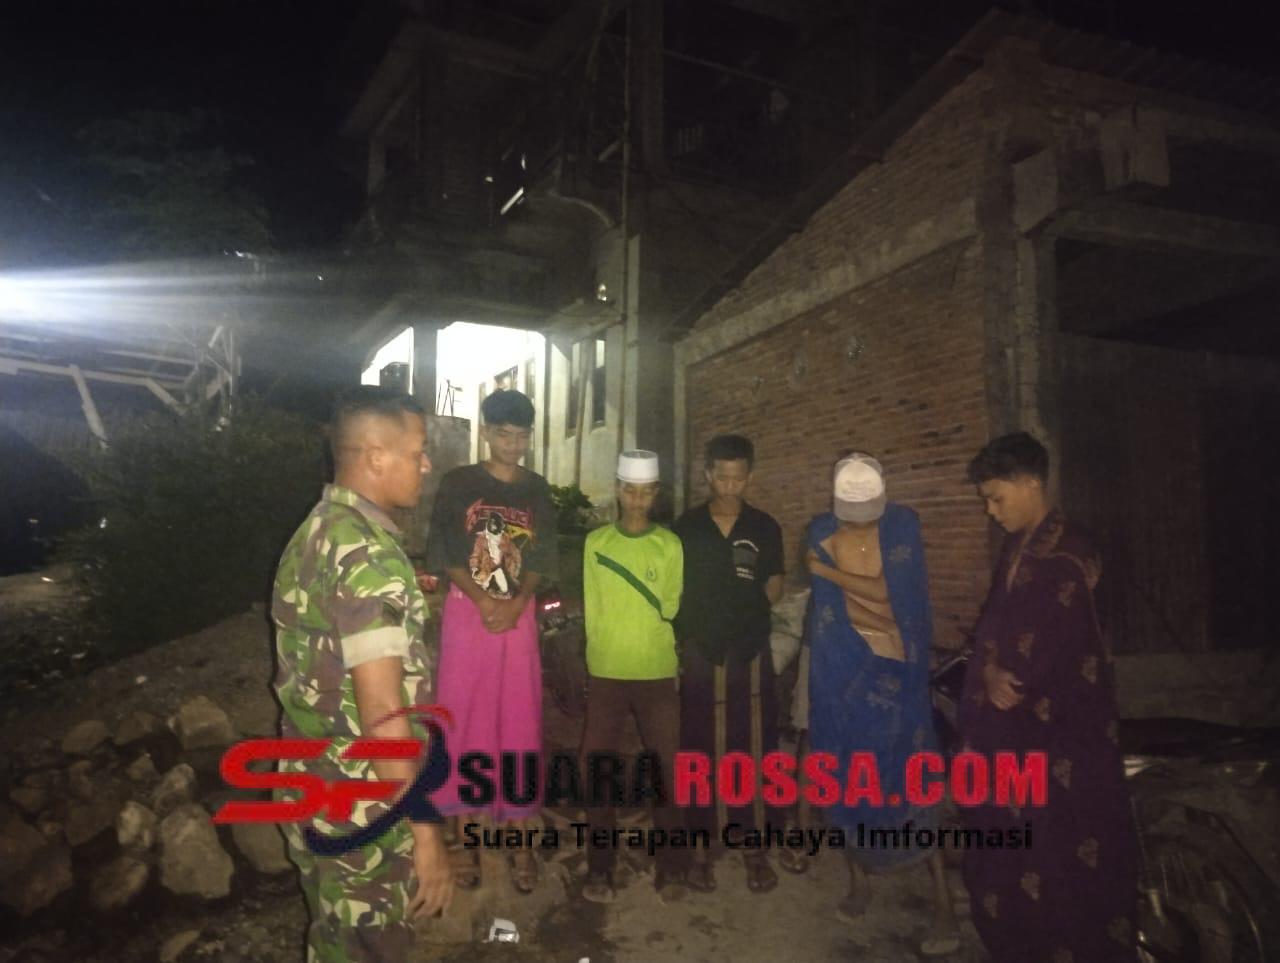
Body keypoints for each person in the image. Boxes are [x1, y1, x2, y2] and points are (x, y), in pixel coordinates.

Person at [272, 386, 452, 961]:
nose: (426, 465)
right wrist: (425, 831)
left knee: (334, 940)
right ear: (376, 457)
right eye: (417, 452)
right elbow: (382, 713)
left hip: (310, 784)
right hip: (364, 808)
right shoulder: (369, 557)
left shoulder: (316, 530)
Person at [959, 432, 1136, 961]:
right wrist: (989, 666)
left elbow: (1037, 655)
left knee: (1060, 858)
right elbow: (994, 626)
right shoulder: (1020, 547)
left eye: (997, 498)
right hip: (1021, 729)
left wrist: (999, 674)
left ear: (1030, 483)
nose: (991, 512)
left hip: (1061, 734)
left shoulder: (1068, 554)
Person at [805, 452, 959, 957]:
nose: (859, 524)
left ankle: (943, 904)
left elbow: (899, 602)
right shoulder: (820, 531)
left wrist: (829, 574)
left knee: (911, 781)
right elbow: (830, 618)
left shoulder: (902, 529)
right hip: (842, 678)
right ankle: (859, 882)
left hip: (897, 678)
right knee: (846, 775)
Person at [425, 389, 557, 893]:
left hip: (518, 615)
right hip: (468, 613)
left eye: (522, 436)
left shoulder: (536, 489)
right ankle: (466, 839)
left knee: (519, 719)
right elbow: (446, 551)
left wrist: (519, 602)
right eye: (504, 435)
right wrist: (483, 601)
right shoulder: (459, 484)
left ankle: (521, 841)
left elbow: (542, 558)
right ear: (485, 432)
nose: (513, 445)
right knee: (464, 720)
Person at [673, 434, 785, 895]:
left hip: (749, 650)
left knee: (753, 746)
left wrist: (748, 610)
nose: (730, 485)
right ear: (708, 475)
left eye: (738, 478)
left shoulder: (763, 526)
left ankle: (755, 849)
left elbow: (775, 583)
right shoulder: (687, 527)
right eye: (722, 476)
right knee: (700, 746)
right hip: (701, 650)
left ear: (749, 476)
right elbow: (677, 588)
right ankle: (701, 850)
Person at [580, 450, 688, 904]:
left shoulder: (670, 545)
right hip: (606, 671)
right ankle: (600, 868)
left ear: (655, 493)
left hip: (656, 672)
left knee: (667, 769)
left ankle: (673, 867)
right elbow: (593, 608)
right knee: (597, 768)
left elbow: (672, 605)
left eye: (646, 492)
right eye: (630, 490)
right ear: (618, 490)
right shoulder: (596, 543)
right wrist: (600, 653)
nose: (637, 500)